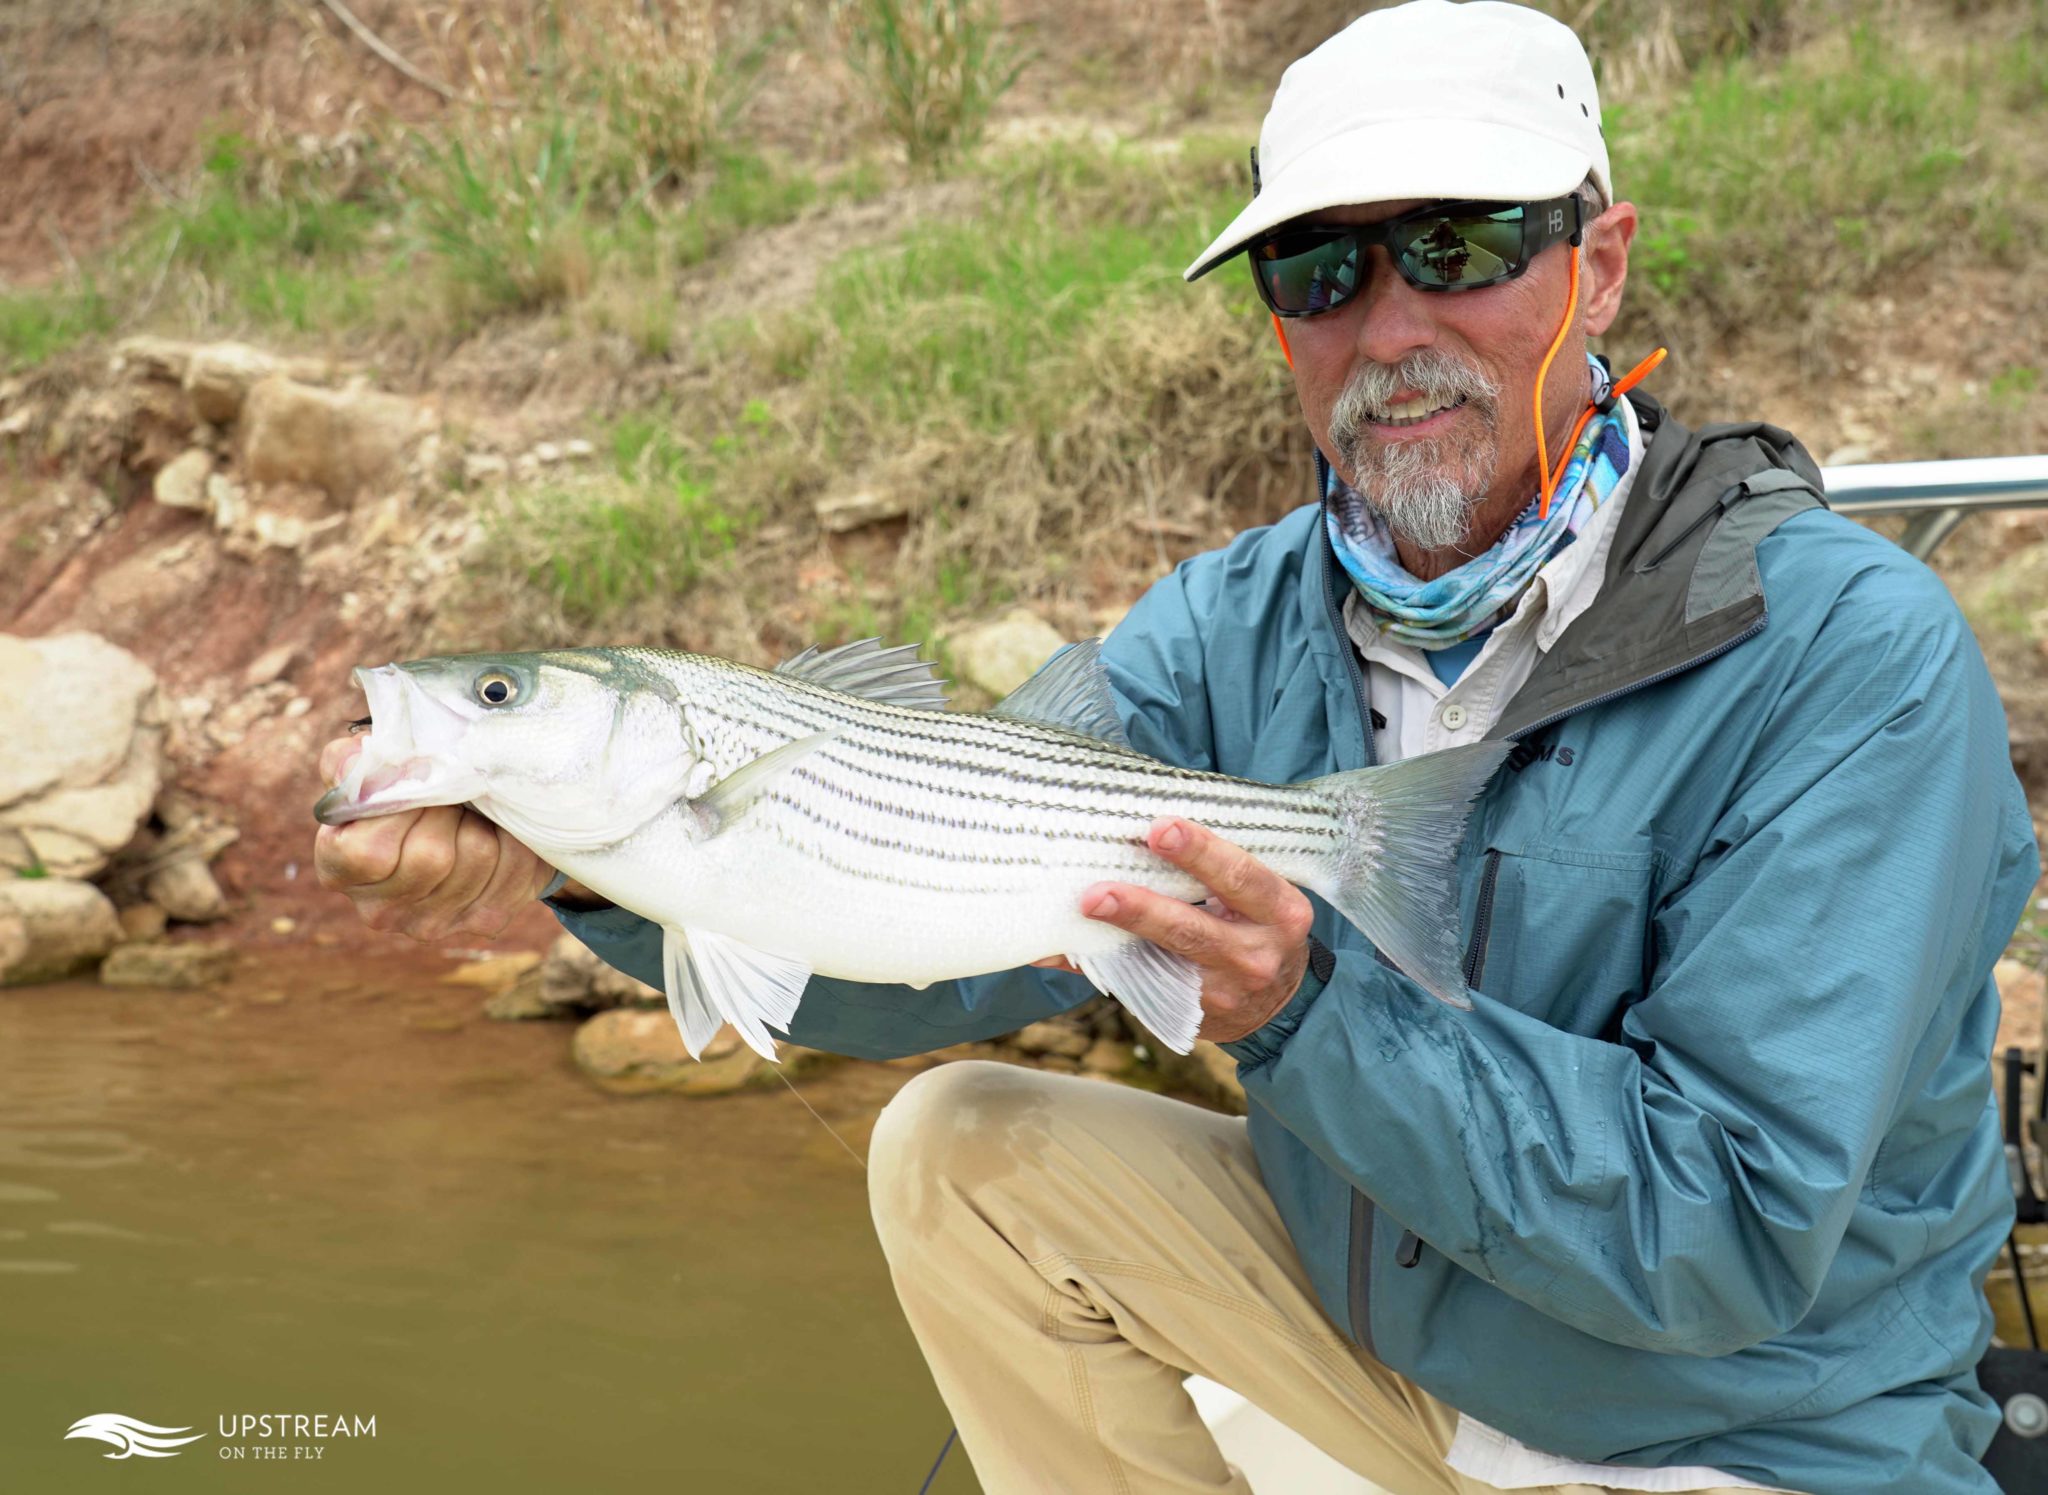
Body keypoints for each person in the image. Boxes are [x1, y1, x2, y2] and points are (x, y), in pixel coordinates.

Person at [314, 3, 2040, 1491]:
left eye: (1455, 246)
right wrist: (583, 862)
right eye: (1318, 268)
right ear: (1274, 313)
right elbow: (914, 920)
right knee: (965, 1151)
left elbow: (1722, 1235)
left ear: (1595, 267)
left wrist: (1310, 1008)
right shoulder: (1231, 628)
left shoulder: (1851, 660)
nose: (1388, 325)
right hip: (1409, 1375)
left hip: (1748, 1438)